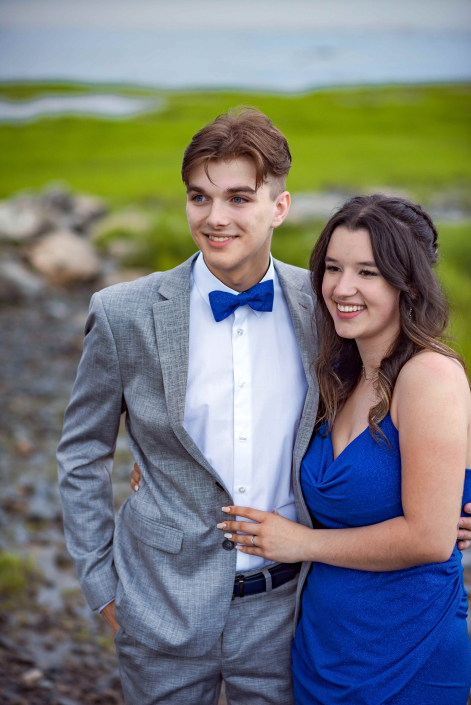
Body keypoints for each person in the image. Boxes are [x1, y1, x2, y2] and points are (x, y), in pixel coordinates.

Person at [58, 108, 471, 705]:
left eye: (238, 198)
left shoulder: (325, 306)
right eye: (199, 197)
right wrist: (102, 587)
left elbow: (413, 421)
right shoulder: (126, 313)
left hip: (290, 613)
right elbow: (82, 454)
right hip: (160, 607)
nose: (215, 218)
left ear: (279, 207)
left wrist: (449, 509)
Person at [214, 195, 471, 704]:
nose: (342, 288)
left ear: (409, 283)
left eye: (368, 272)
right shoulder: (338, 376)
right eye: (332, 268)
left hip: (405, 651)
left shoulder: (431, 376)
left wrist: (300, 544)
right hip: (323, 648)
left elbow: (429, 539)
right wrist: (150, 461)